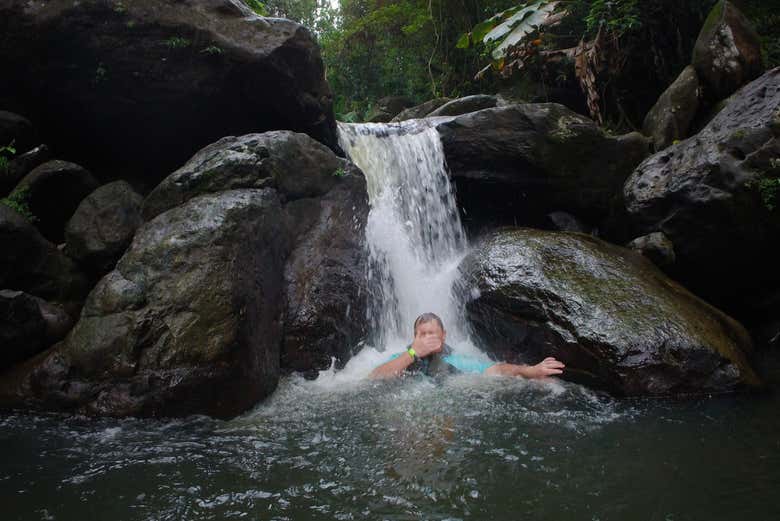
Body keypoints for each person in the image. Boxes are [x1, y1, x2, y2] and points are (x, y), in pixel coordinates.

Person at [369, 312, 565, 379]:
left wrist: (531, 371)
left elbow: (495, 369)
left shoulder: (455, 360)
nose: (426, 339)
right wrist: (413, 352)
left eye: (432, 334)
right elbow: (374, 378)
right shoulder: (404, 357)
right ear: (414, 337)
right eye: (422, 335)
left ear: (443, 336)